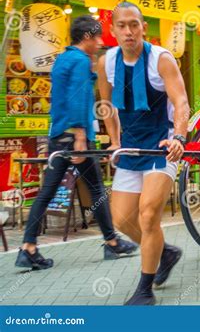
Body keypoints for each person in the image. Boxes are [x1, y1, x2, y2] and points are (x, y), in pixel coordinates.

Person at [15, 16, 138, 271]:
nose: (100, 42)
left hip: (58, 134)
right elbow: (78, 99)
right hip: (74, 138)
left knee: (48, 191)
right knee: (95, 190)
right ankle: (112, 243)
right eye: (97, 37)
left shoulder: (62, 59)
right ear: (86, 37)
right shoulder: (81, 61)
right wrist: (80, 136)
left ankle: (28, 247)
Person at [97, 2, 190, 305]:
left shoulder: (160, 59)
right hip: (130, 147)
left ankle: (144, 290)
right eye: (122, 26)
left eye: (134, 24)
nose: (128, 31)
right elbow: (107, 106)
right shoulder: (106, 62)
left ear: (143, 27)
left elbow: (181, 102)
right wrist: (113, 140)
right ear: (112, 30)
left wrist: (178, 137)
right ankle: (166, 253)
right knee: (122, 220)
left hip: (162, 146)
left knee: (148, 215)